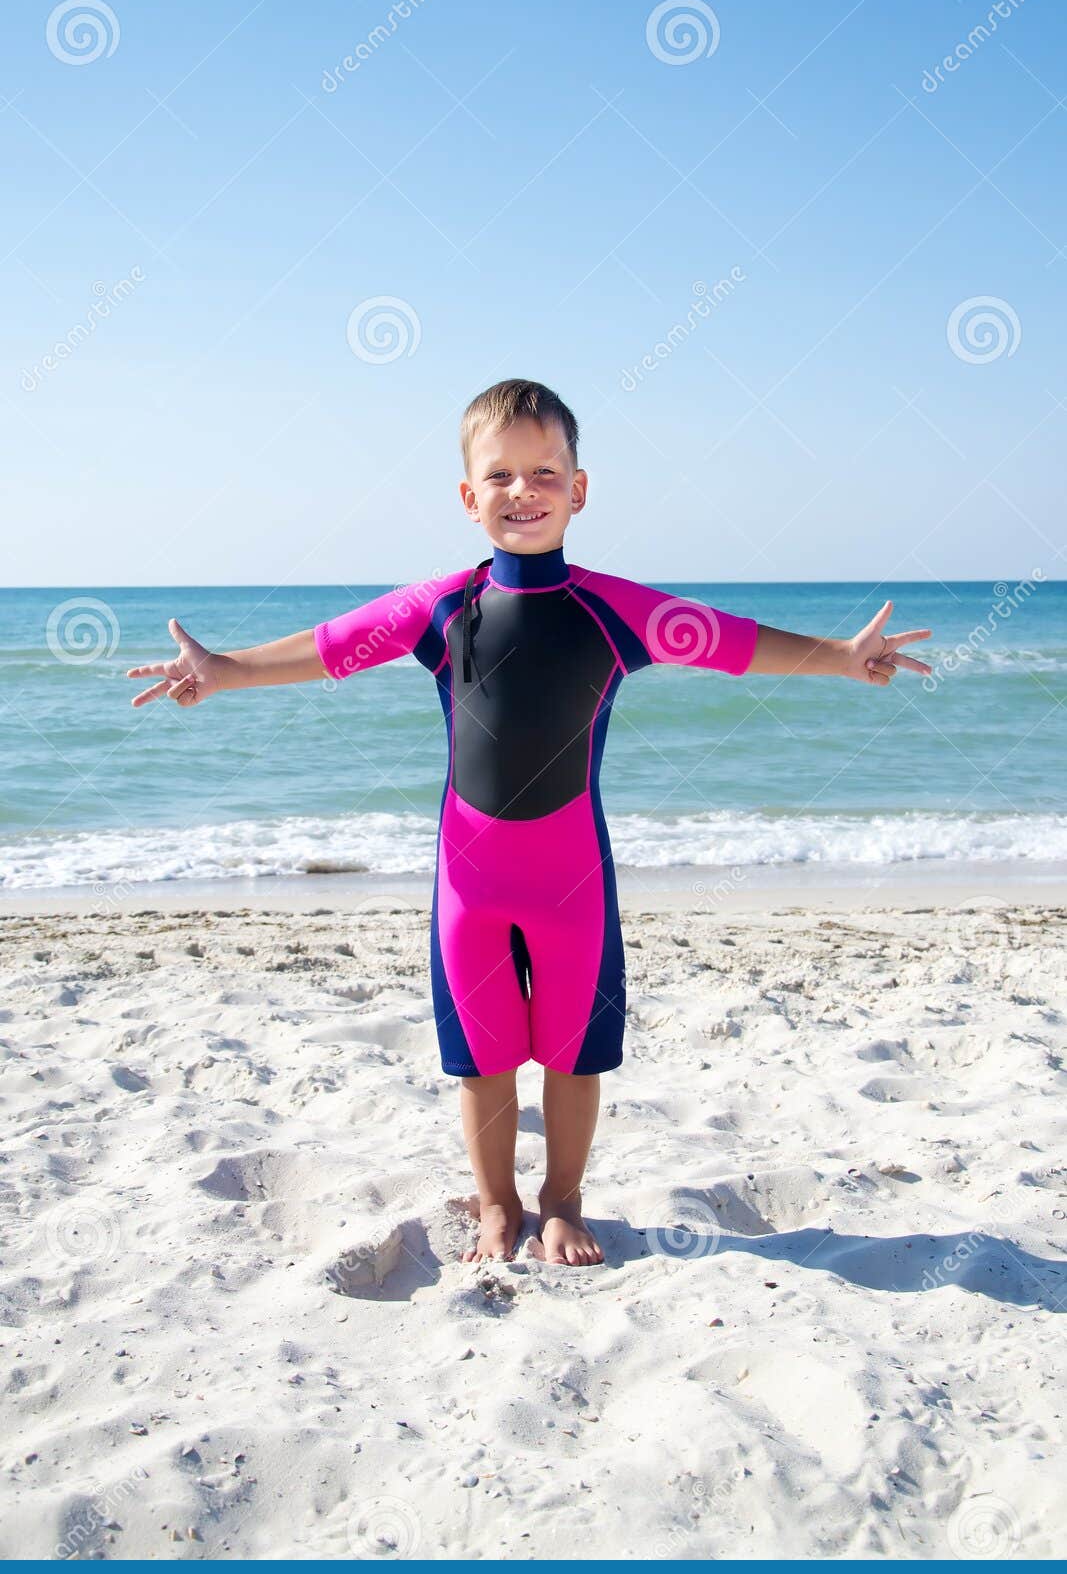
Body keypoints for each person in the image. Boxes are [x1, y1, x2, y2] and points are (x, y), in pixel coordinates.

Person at [129, 379, 932, 1268]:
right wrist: (224, 669)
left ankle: (561, 1202)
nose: (523, 491)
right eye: (500, 475)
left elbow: (734, 642)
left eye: (544, 471)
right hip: (468, 884)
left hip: (571, 881)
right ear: (469, 498)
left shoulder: (614, 608)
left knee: (572, 1056)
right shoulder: (439, 609)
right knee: (480, 1059)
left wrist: (841, 659)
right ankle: (495, 1205)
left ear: (578, 489)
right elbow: (329, 649)